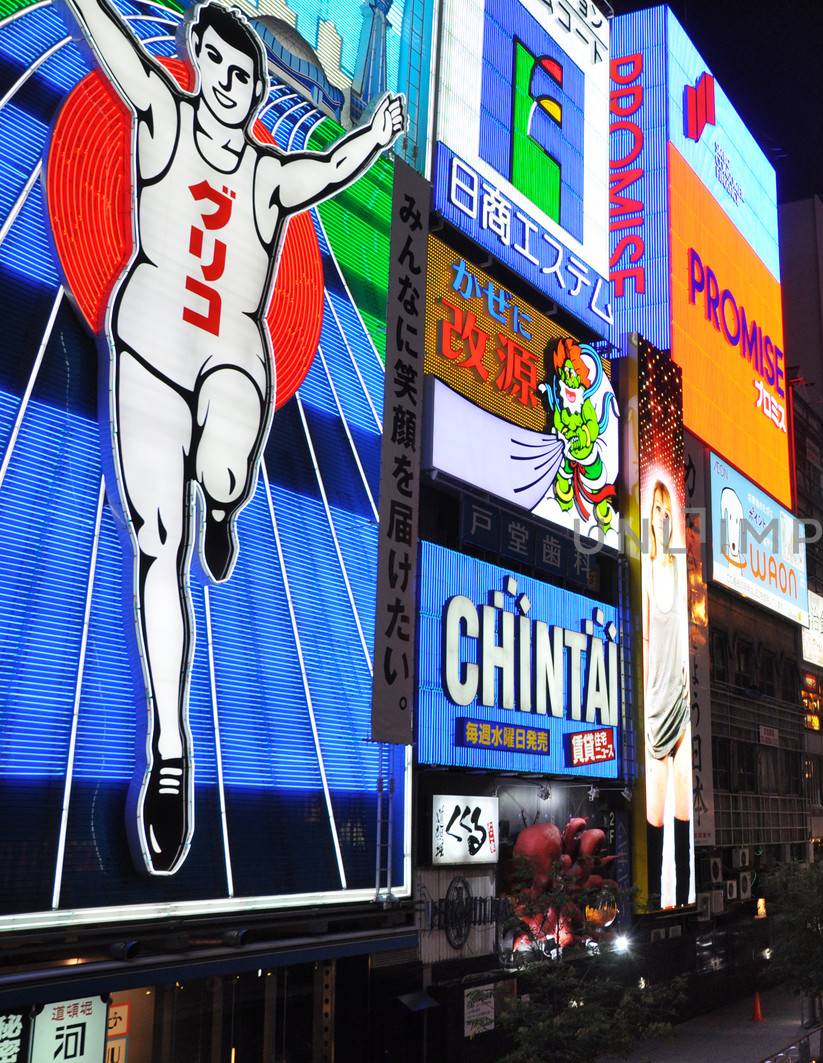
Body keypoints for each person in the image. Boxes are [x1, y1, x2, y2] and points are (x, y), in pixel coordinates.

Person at [58, 0, 405, 876]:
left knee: (221, 459)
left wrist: (379, 135)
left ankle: (225, 498)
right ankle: (169, 757)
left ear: (254, 91)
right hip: (146, 348)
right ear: (200, 63)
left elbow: (328, 169)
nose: (223, 82)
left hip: (231, 357)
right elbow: (115, 46)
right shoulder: (161, 114)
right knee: (153, 543)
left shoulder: (265, 176)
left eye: (240, 74)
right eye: (212, 62)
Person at [644, 480, 693, 908]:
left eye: (666, 512)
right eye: (656, 510)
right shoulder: (646, 569)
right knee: (654, 814)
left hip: (680, 700)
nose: (661, 519)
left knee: (683, 811)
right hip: (654, 707)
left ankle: (682, 893)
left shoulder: (679, 566)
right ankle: (655, 897)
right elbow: (643, 639)